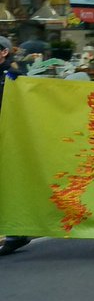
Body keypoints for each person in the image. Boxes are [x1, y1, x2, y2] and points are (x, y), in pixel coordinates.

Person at [0, 36, 33, 257]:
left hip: (9, 137)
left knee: (10, 183)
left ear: (4, 52)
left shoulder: (13, 76)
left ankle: (15, 233)